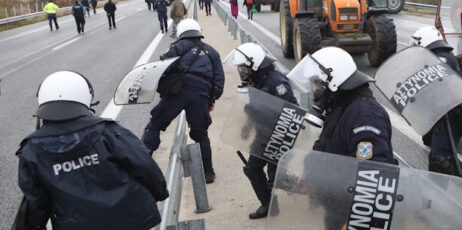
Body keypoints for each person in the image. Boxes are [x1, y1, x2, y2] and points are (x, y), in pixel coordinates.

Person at [16, 71, 169, 229]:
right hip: (132, 219)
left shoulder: (31, 150)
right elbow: (144, 165)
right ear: (84, 97)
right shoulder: (108, 132)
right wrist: (160, 193)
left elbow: (36, 201)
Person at [410, 26, 462, 216]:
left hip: (453, 115)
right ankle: (433, 204)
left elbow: (436, 87)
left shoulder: (441, 58)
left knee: (441, 158)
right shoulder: (438, 56)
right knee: (437, 162)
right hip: (444, 114)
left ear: (424, 42)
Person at [142, 19, 224, 183]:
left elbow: (163, 67)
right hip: (200, 95)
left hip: (177, 94)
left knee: (155, 125)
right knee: (201, 135)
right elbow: (219, 79)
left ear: (181, 33)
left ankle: (143, 166)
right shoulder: (212, 52)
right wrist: (212, 98)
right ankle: (208, 172)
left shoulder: (177, 47)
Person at [230, 43, 298, 220]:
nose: (242, 72)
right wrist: (247, 126)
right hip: (263, 134)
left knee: (276, 178)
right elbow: (255, 107)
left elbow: (292, 111)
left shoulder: (277, 82)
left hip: (278, 136)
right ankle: (269, 205)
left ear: (254, 64)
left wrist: (265, 115)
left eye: (244, 68)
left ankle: (308, 189)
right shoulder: (255, 81)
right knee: (252, 170)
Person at [308, 47, 394, 163]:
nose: (316, 89)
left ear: (333, 80)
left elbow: (370, 171)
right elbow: (325, 146)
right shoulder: (340, 107)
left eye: (318, 83)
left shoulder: (365, 115)